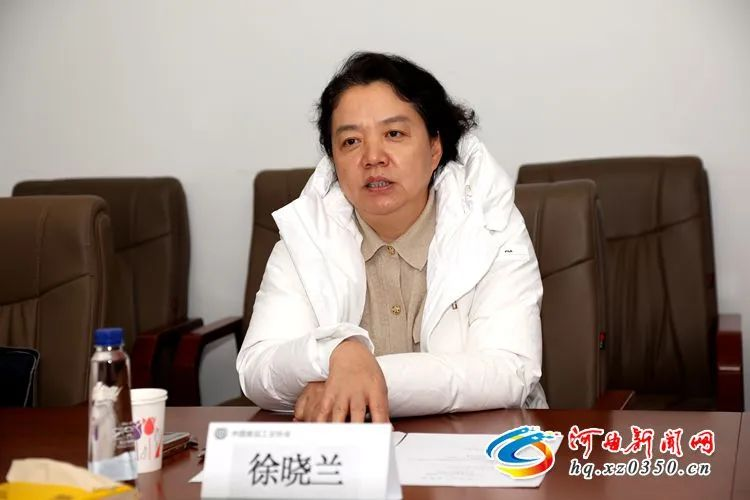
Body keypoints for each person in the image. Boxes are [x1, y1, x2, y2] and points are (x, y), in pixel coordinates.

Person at [236, 52, 546, 422]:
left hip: (479, 445)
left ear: (435, 148)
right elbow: (257, 369)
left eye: (394, 134)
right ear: (333, 161)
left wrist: (358, 379)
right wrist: (335, 353)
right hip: (351, 451)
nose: (373, 157)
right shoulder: (306, 234)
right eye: (351, 141)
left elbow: (509, 371)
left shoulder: (491, 225)